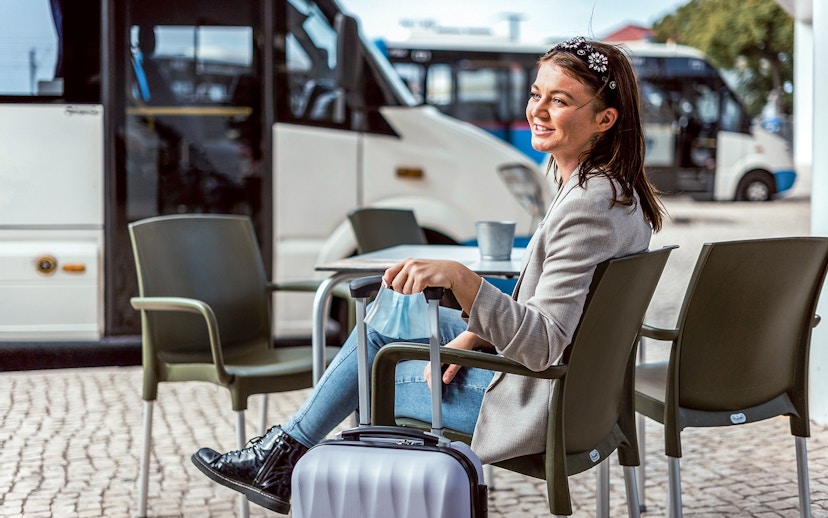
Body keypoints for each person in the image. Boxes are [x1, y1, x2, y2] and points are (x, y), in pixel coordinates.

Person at [191, 36, 666, 514]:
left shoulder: (588, 205)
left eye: (559, 100)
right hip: (578, 394)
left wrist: (463, 279)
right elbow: (561, 318)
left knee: (373, 372)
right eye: (536, 93)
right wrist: (474, 337)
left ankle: (284, 457)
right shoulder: (615, 193)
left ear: (605, 120)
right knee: (393, 306)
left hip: (537, 404)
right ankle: (283, 456)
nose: (538, 110)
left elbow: (544, 343)